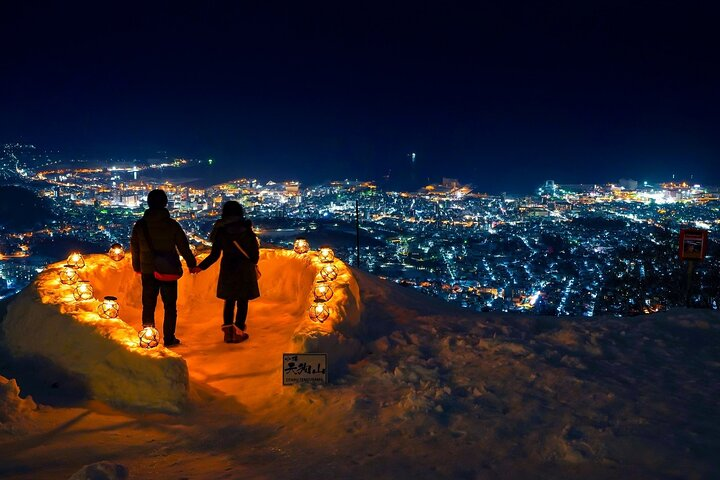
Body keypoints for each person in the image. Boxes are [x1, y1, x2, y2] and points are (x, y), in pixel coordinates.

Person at [130, 189, 197, 347]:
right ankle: (169, 338)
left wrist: (137, 266)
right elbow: (184, 247)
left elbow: (135, 247)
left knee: (148, 303)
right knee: (170, 306)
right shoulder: (172, 225)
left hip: (147, 269)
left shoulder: (140, 225)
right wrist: (192, 264)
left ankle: (148, 337)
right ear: (165, 203)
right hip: (168, 268)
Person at [192, 200, 259, 343]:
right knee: (242, 301)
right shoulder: (248, 231)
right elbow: (255, 256)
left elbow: (214, 255)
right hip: (245, 270)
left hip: (228, 269)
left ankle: (228, 334)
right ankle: (238, 332)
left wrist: (200, 267)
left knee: (229, 301)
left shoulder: (220, 232)